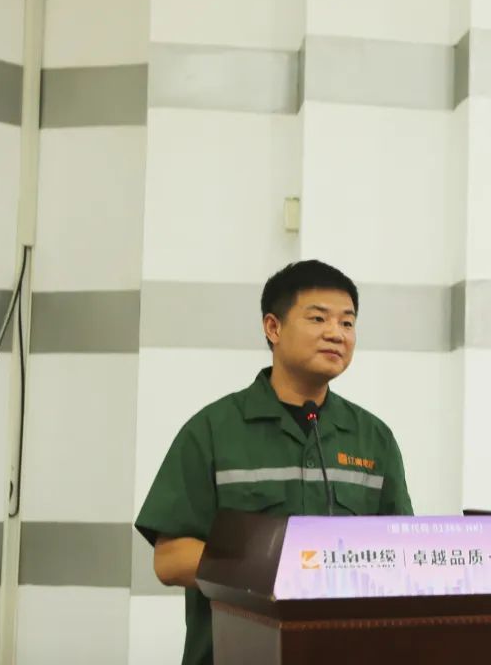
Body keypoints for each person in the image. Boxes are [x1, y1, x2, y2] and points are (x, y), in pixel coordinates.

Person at [135, 260, 413, 665]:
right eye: (318, 318)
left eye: (348, 323)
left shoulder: (374, 438)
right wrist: (281, 568)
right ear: (273, 328)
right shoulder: (213, 430)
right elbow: (170, 559)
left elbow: (401, 555)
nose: (336, 333)